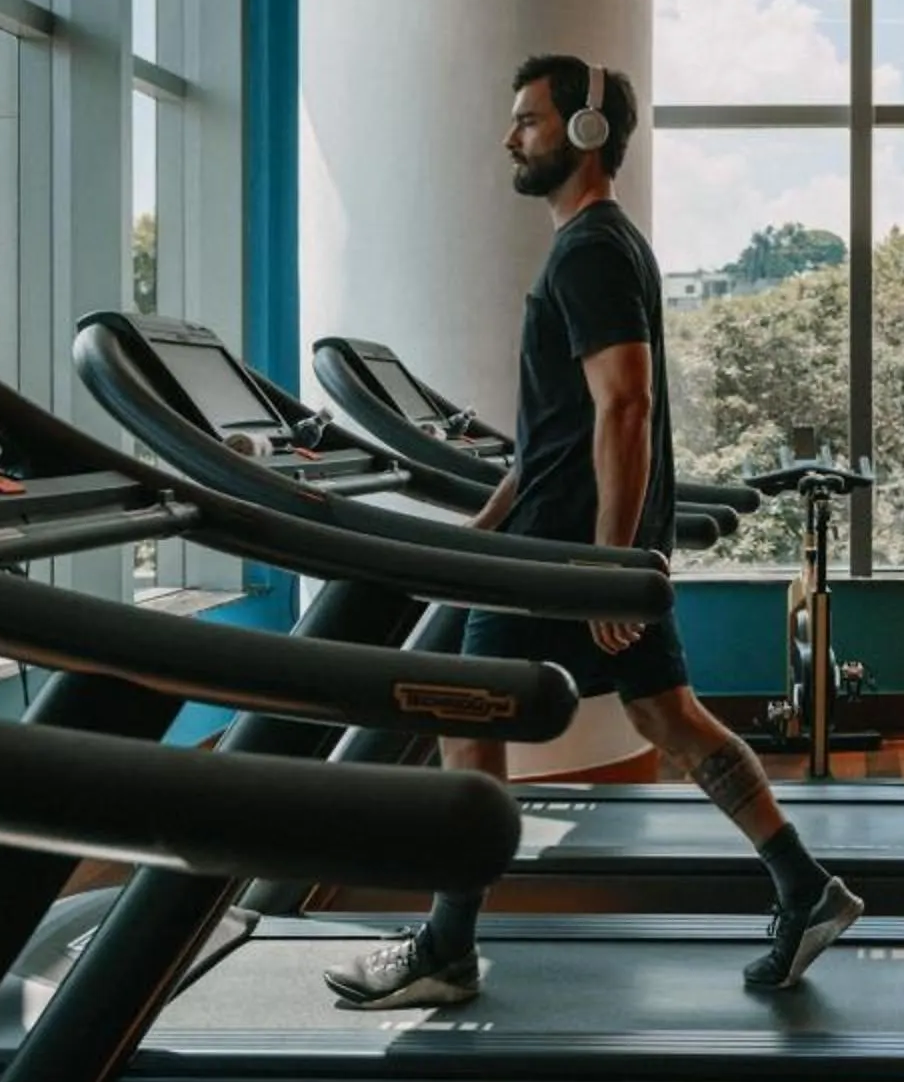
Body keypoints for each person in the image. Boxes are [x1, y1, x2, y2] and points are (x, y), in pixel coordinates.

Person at [324, 54, 863, 1009]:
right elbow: (559, 432)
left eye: (528, 120)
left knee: (458, 712)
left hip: (568, 555)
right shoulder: (604, 244)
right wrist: (489, 522)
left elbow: (626, 405)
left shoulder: (590, 250)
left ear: (582, 135)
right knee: (668, 716)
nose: (510, 137)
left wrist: (605, 567)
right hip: (569, 538)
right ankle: (804, 887)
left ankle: (447, 946)